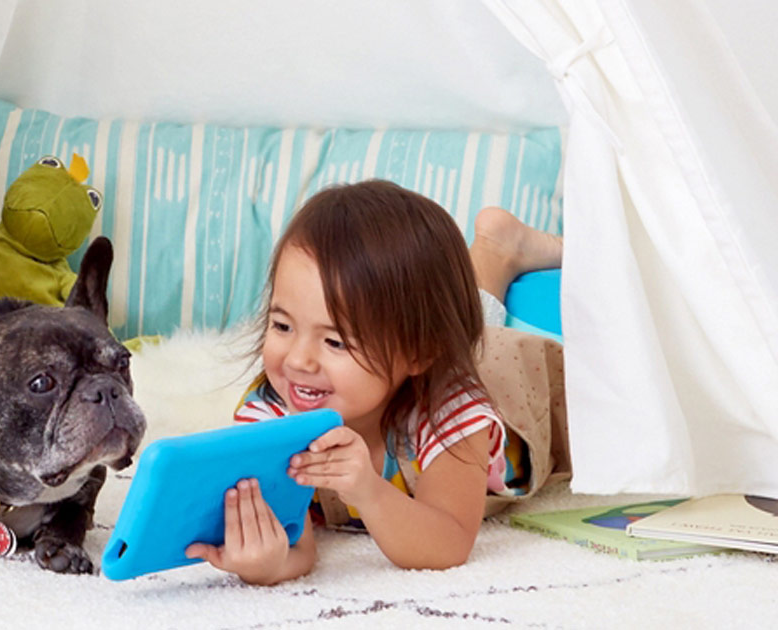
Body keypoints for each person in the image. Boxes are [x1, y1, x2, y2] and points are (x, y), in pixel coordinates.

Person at [184, 180, 564, 585]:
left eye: (334, 341)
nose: (297, 360)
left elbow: (448, 542)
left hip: (506, 381)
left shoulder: (453, 412)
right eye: (282, 325)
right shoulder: (271, 412)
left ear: (417, 354)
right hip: (415, 358)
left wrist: (367, 489)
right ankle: (495, 246)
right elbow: (297, 544)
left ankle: (497, 251)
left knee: (478, 342)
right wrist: (270, 563)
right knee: (458, 319)